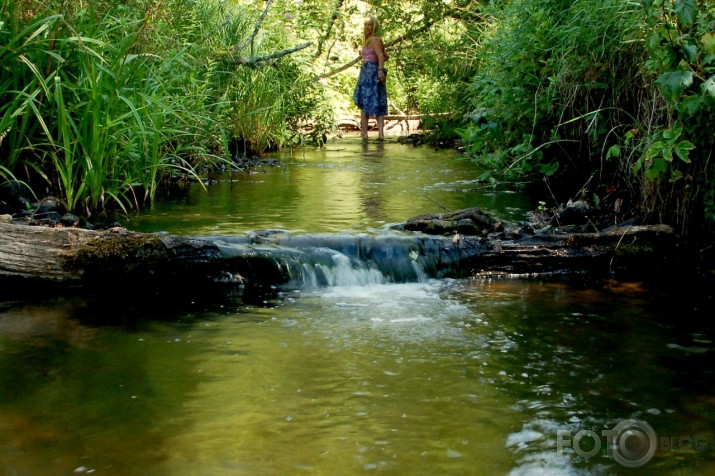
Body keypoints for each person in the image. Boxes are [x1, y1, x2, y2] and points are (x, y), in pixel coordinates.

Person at [353, 15, 389, 141]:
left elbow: (381, 56)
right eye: (366, 25)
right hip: (366, 74)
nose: (367, 27)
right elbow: (385, 55)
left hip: (372, 74)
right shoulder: (372, 40)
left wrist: (379, 71)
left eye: (370, 25)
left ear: (374, 26)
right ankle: (372, 135)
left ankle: (371, 134)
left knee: (371, 103)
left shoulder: (374, 39)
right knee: (367, 103)